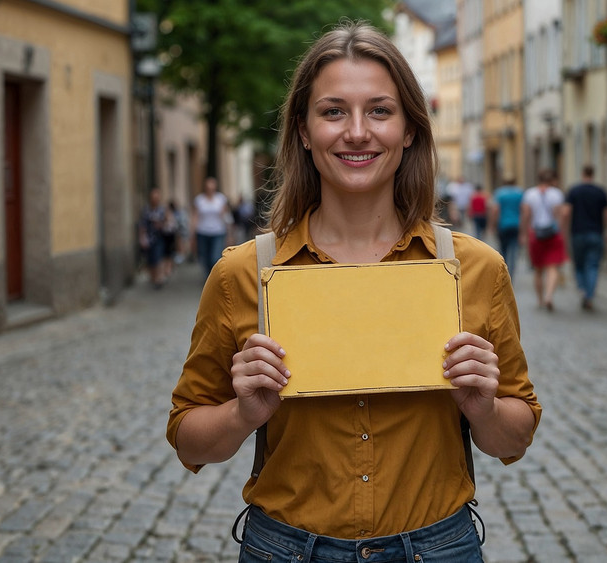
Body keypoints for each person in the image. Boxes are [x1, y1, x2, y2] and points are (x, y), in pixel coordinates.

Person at [167, 21, 540, 562]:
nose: (358, 132)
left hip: (437, 548)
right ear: (303, 130)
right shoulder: (243, 274)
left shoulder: (474, 269)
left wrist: (484, 410)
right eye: (334, 111)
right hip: (287, 549)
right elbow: (188, 438)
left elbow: (515, 437)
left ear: (409, 130)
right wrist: (242, 414)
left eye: (380, 111)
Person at [565, 164, 607, 311]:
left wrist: (565, 230)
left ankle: (582, 289)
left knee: (579, 265)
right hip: (596, 233)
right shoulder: (601, 192)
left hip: (578, 233)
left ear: (582, 174)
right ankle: (590, 295)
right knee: (593, 265)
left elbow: (566, 212)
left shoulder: (574, 191)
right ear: (593, 174)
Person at [521, 169, 568, 311]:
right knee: (552, 267)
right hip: (553, 233)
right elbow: (560, 215)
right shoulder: (556, 194)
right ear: (552, 180)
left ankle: (540, 300)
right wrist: (562, 232)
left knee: (538, 270)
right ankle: (549, 296)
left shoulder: (530, 194)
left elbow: (526, 215)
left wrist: (524, 234)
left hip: (535, 234)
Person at [192, 176, 233, 279]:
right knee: (204, 257)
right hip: (202, 231)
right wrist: (193, 232)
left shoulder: (220, 199)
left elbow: (226, 216)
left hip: (218, 231)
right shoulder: (199, 200)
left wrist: (229, 233)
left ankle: (214, 276)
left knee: (215, 257)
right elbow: (196, 216)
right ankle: (208, 276)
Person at [490, 179, 524, 279]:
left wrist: (492, 225)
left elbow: (495, 210)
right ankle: (511, 275)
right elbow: (523, 210)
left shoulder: (500, 193)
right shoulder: (519, 193)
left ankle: (504, 273)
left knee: (503, 250)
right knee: (514, 251)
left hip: (503, 225)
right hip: (516, 225)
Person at [138, 188, 167, 289]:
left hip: (159, 237)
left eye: (157, 197)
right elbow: (142, 225)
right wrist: (142, 237)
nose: (155, 199)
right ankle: (153, 277)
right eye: (154, 197)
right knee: (151, 259)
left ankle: (159, 278)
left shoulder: (162, 210)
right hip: (149, 238)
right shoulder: (146, 210)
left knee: (158, 257)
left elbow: (167, 222)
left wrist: (161, 225)